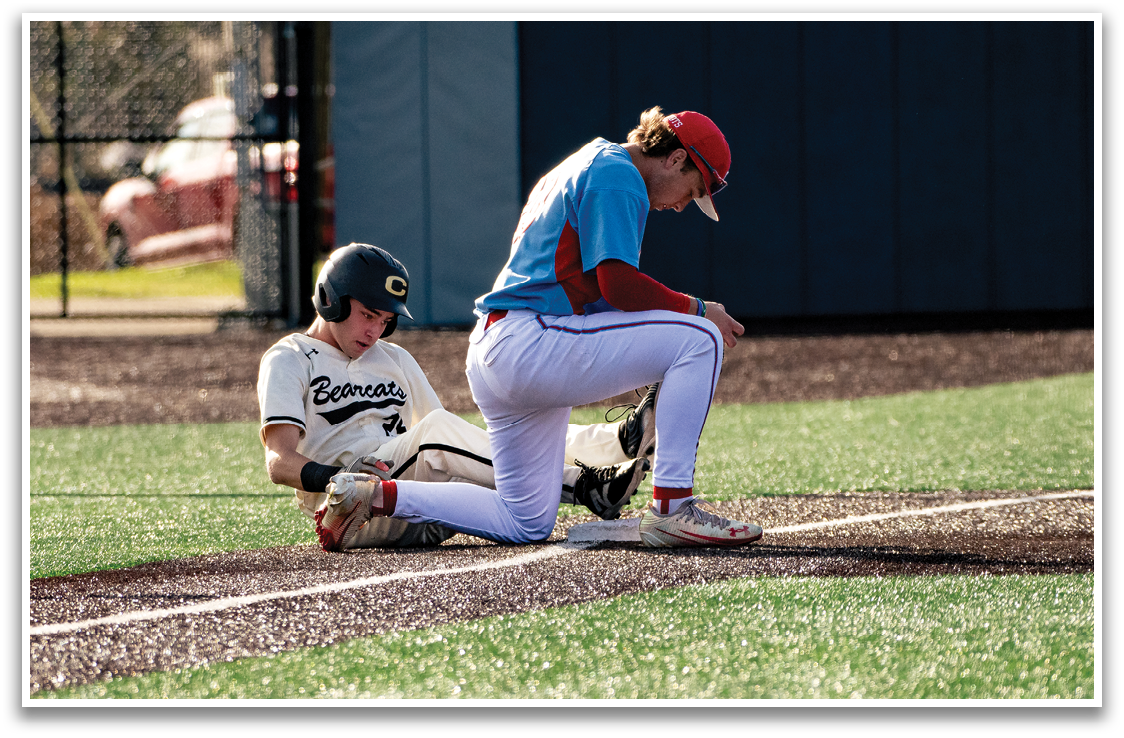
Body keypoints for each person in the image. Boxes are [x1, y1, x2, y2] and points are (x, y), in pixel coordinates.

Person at [313, 107, 762, 549]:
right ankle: (672, 507)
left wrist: (652, 350)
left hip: (498, 350)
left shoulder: (589, 161)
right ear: (676, 158)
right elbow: (620, 286)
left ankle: (372, 495)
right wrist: (698, 308)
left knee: (524, 519)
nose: (684, 204)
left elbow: (603, 295)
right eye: (694, 188)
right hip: (531, 340)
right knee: (700, 336)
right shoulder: (619, 175)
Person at [258, 243, 655, 550]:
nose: (375, 331)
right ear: (332, 300)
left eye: (385, 320)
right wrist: (339, 479)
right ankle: (585, 485)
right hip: (348, 508)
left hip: (416, 500)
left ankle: (616, 442)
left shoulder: (393, 357)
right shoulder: (290, 357)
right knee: (439, 433)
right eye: (368, 314)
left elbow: (455, 447)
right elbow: (279, 462)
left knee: (474, 440)